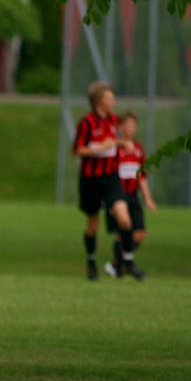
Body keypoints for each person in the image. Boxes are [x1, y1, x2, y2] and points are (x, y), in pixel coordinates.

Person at [72, 81, 140, 280]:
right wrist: (97, 148)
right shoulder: (87, 123)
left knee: (124, 219)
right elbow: (77, 149)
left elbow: (112, 141)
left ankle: (127, 261)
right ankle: (91, 261)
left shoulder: (113, 120)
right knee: (93, 224)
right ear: (98, 102)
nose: (113, 102)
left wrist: (124, 143)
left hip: (111, 178)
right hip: (90, 179)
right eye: (110, 98)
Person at [106, 111, 158, 279]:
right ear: (119, 127)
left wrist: (148, 198)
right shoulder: (114, 149)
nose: (131, 129)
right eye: (128, 125)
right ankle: (122, 266)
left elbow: (141, 176)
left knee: (140, 233)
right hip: (118, 196)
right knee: (122, 230)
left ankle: (116, 264)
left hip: (133, 196)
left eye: (134, 126)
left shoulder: (138, 149)